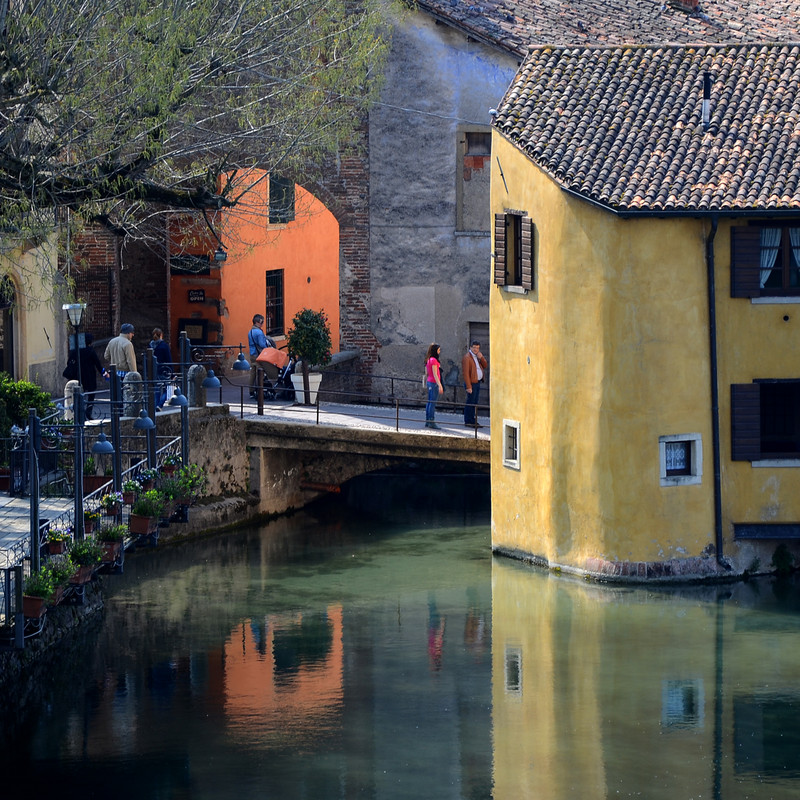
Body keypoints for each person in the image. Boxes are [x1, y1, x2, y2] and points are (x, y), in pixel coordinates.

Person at [64, 332, 106, 419]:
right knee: (91, 394)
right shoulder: (90, 351)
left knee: (79, 394)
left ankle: (79, 412)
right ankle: (88, 411)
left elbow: (69, 362)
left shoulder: (75, 351)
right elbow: (98, 364)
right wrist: (104, 373)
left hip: (78, 376)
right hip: (89, 376)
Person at [247, 314, 276, 398]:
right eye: (261, 322)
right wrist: (269, 348)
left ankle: (251, 391)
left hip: (252, 354)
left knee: (252, 373)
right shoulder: (259, 332)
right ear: (256, 322)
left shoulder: (250, 332)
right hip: (258, 355)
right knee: (260, 372)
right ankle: (260, 390)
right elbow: (262, 344)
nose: (263, 324)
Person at [461, 339, 488, 428]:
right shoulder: (467, 357)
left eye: (477, 348)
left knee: (474, 402)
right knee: (470, 402)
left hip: (477, 382)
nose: (476, 350)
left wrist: (482, 358)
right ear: (470, 347)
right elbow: (465, 373)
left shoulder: (477, 356)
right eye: (474, 348)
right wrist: (468, 386)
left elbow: (485, 365)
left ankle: (472, 420)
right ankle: (468, 421)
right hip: (471, 383)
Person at [149, 328, 173, 410]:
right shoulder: (164, 346)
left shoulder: (151, 346)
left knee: (157, 390)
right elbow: (168, 359)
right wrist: (172, 372)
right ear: (161, 335)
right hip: (164, 370)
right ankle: (160, 404)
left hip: (154, 370)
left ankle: (156, 405)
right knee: (168, 389)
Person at [425, 343, 443, 429]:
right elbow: (435, 374)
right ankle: (431, 421)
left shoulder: (428, 359)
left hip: (429, 382)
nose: (439, 351)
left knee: (429, 402)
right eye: (438, 350)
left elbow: (427, 373)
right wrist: (440, 385)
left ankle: (428, 420)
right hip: (433, 383)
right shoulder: (434, 360)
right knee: (432, 403)